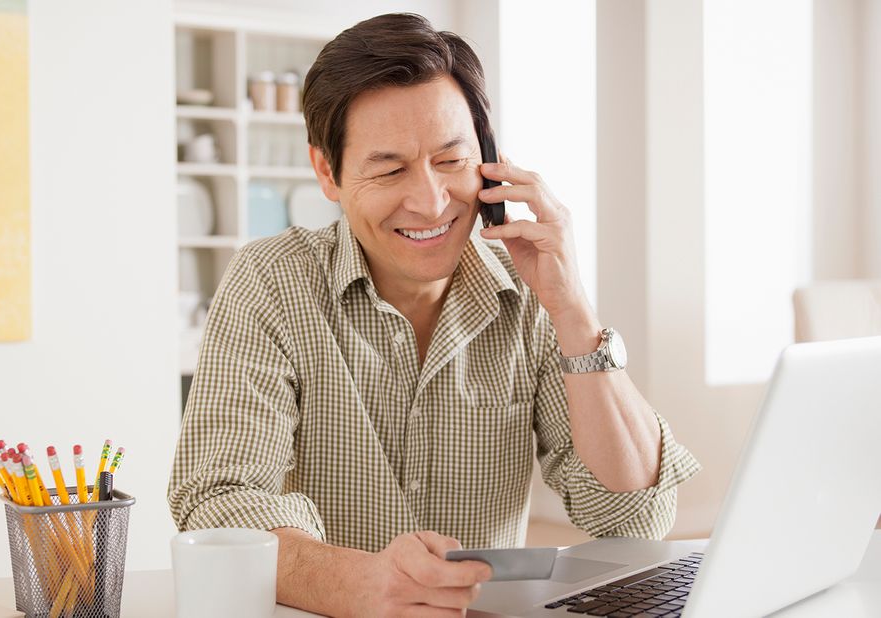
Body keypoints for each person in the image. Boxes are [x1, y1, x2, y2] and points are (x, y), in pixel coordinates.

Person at [168, 12, 700, 617]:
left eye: (451, 160)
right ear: (327, 171)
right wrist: (358, 584)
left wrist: (573, 308)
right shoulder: (271, 283)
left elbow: (633, 518)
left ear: (489, 156)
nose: (429, 201)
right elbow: (221, 499)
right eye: (390, 169)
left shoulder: (531, 296)